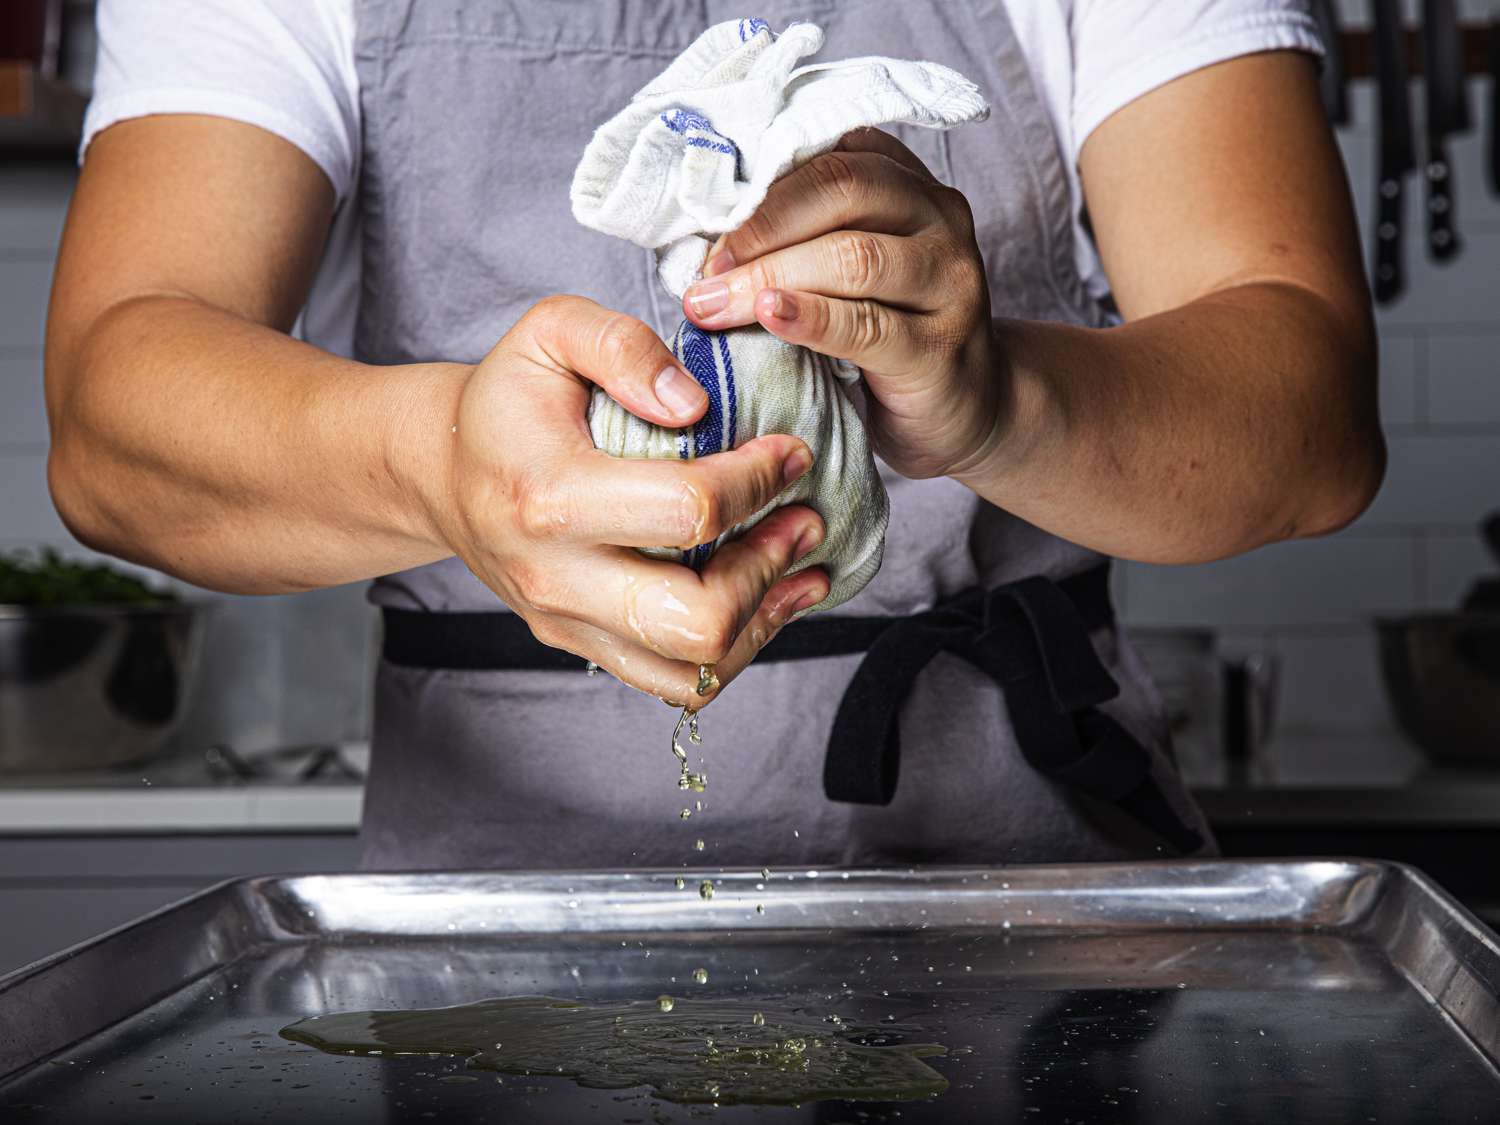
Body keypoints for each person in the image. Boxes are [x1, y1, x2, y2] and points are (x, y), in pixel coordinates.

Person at [45, 1, 1382, 870]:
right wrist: (440, 458)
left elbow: (1313, 418)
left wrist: (1001, 403)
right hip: (494, 957)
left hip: (1039, 910)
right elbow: (112, 423)